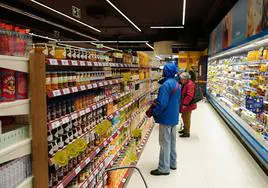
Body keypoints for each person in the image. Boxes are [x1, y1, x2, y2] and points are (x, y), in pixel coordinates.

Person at [146, 63, 181, 176]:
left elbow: (162, 103)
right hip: (174, 116)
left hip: (166, 117)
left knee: (164, 143)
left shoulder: (166, 85)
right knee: (172, 142)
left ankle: (163, 168)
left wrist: (154, 112)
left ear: (166, 72)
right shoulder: (177, 83)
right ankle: (172, 163)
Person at [179, 72, 197, 138]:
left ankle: (187, 132)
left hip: (188, 105)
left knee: (186, 118)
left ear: (185, 79)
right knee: (184, 117)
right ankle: (185, 129)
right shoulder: (186, 84)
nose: (180, 80)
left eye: (181, 79)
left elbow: (189, 96)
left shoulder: (190, 84)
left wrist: (184, 104)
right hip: (186, 105)